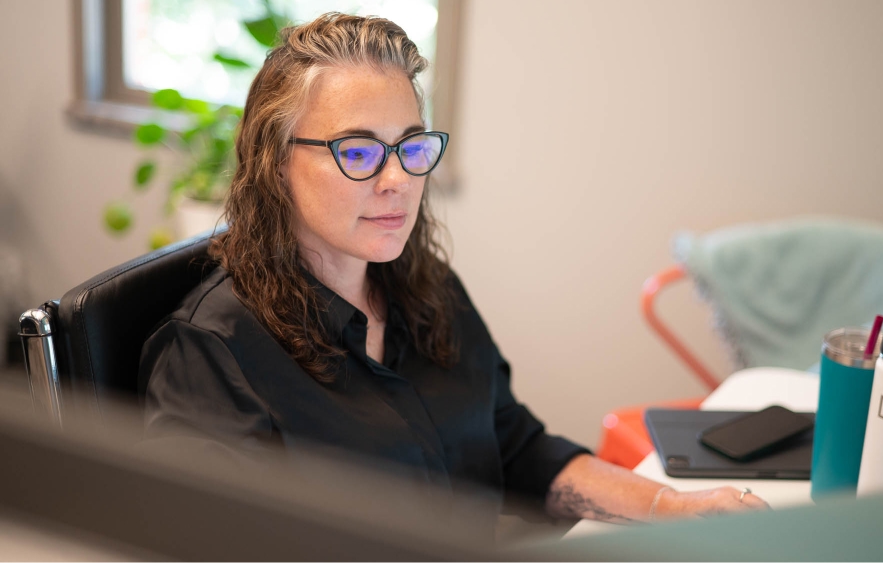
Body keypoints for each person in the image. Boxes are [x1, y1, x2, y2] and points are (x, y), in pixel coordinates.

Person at [138, 12, 767, 533]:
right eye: (358, 152)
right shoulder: (213, 352)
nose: (398, 181)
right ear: (274, 161)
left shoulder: (426, 289)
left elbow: (518, 449)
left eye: (412, 147)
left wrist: (677, 509)